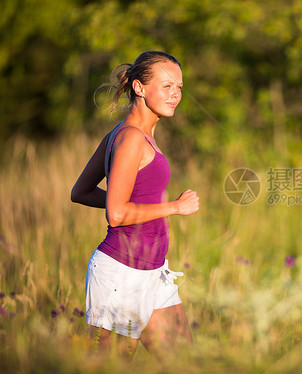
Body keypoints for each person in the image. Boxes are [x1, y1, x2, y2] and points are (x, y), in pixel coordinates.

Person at [71, 51, 199, 358]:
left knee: (185, 363)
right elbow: (116, 215)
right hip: (120, 276)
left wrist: (127, 202)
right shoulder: (130, 139)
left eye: (179, 87)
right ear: (139, 88)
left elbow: (82, 192)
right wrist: (174, 207)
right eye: (167, 86)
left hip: (153, 274)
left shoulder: (135, 135)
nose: (176, 94)